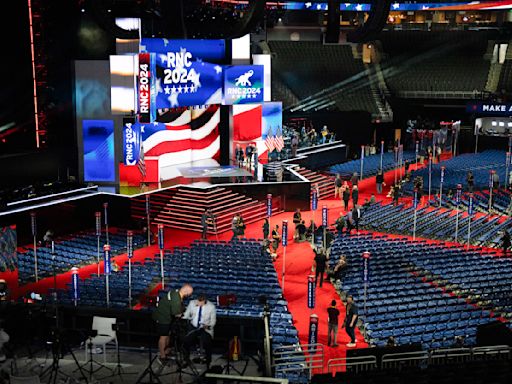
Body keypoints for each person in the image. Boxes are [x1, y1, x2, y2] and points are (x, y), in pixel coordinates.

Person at [152, 284, 194, 361]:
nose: (189, 295)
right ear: (186, 291)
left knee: (168, 335)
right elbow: (176, 313)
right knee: (163, 337)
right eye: (189, 293)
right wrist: (185, 314)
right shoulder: (176, 298)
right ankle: (162, 356)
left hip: (167, 318)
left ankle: (166, 351)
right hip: (162, 318)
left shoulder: (177, 292)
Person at [183, 294, 217, 368]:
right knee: (186, 341)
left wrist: (207, 326)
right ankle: (186, 360)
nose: (198, 303)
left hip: (205, 328)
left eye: (200, 302)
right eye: (198, 301)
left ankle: (208, 361)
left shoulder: (211, 307)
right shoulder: (192, 303)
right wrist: (183, 316)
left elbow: (213, 321)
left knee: (207, 342)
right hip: (194, 327)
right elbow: (186, 315)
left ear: (205, 301)